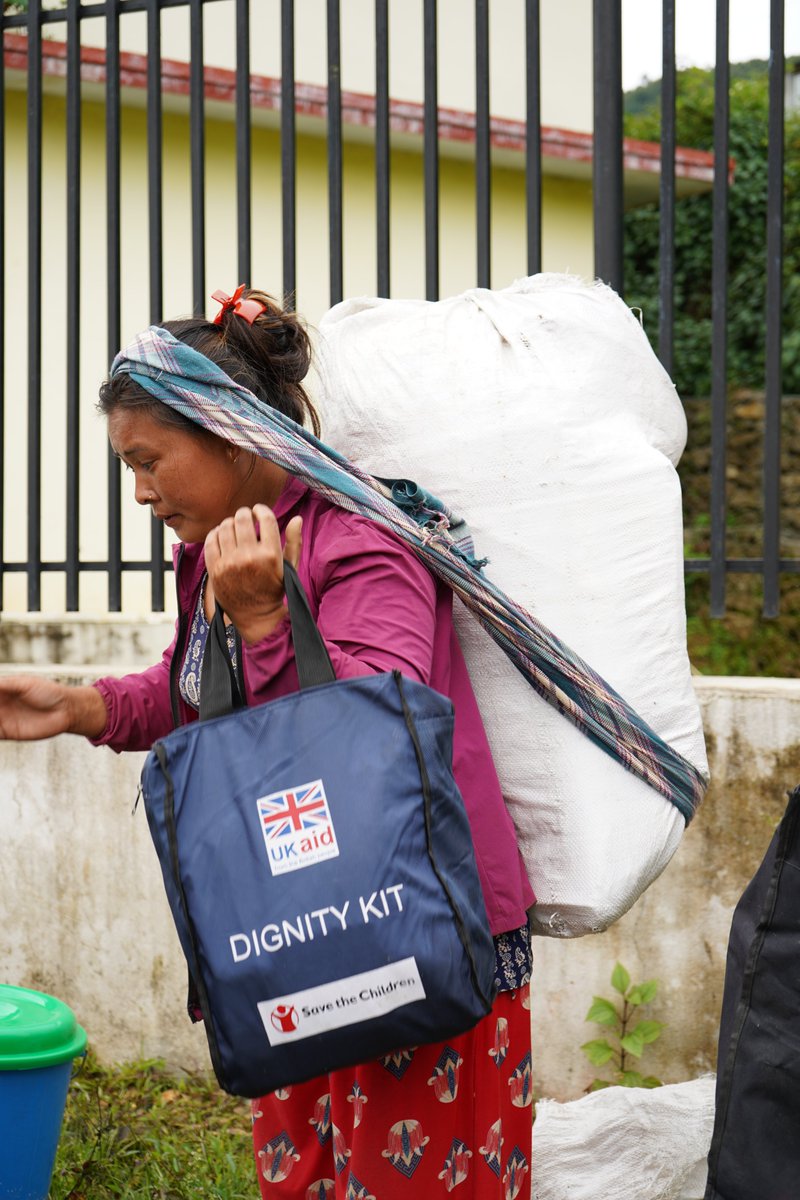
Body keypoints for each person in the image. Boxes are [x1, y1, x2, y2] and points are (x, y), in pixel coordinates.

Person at [0, 287, 535, 1199]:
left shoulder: (360, 537)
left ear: (229, 430)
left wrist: (263, 621)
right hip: (297, 924)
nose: (140, 490)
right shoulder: (217, 549)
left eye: (148, 460)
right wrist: (77, 706)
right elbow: (203, 699)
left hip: (416, 922)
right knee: (310, 1178)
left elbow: (382, 729)